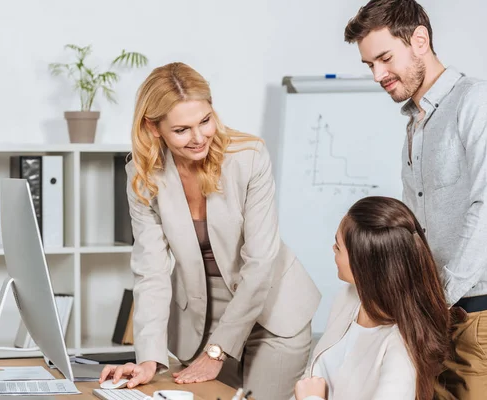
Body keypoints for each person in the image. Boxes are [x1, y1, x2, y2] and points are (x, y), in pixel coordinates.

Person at [98, 62, 321, 400]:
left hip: (272, 313)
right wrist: (148, 357)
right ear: (154, 128)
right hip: (203, 319)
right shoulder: (143, 177)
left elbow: (260, 262)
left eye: (205, 120)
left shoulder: (248, 157)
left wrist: (219, 351)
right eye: (182, 129)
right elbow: (151, 271)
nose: (199, 137)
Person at [343, 1, 487, 398]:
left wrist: (437, 297)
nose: (378, 75)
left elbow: (486, 209)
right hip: (437, 316)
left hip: (476, 314)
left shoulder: (476, 102)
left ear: (419, 40)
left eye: (385, 58)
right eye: (369, 65)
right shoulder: (415, 124)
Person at [292, 196, 450, 400]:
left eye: (338, 246)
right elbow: (312, 376)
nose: (333, 249)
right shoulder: (349, 298)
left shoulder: (400, 353)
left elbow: (310, 392)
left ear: (364, 265)